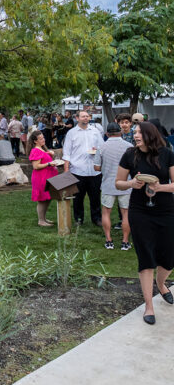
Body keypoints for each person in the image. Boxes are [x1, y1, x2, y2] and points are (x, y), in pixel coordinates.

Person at [115, 122, 174, 325]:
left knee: (168, 255)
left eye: (139, 132)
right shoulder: (129, 154)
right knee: (146, 255)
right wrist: (131, 183)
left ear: (150, 134)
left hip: (166, 211)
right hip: (140, 211)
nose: (135, 135)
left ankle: (161, 282)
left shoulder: (167, 154)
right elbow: (118, 182)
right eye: (135, 132)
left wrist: (160, 188)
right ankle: (149, 305)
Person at [93, 122, 133, 250]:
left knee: (106, 213)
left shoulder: (102, 147)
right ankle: (125, 241)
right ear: (120, 132)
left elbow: (97, 167)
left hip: (108, 184)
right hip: (126, 184)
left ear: (107, 134)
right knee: (126, 213)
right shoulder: (129, 146)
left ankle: (108, 240)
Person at [62, 110, 104, 226]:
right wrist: (66, 170)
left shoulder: (95, 131)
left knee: (95, 196)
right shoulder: (71, 133)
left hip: (94, 170)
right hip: (77, 170)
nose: (86, 118)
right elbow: (67, 152)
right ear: (77, 118)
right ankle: (78, 219)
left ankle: (97, 218)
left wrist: (97, 150)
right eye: (83, 116)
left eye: (87, 116)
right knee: (78, 197)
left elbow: (102, 148)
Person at [27, 130, 58, 226]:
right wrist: (49, 163)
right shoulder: (35, 150)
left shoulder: (42, 149)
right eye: (40, 139)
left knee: (47, 198)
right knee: (42, 199)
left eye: (43, 137)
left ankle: (44, 218)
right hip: (41, 178)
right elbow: (36, 166)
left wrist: (50, 155)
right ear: (35, 141)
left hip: (47, 177)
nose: (43, 140)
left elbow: (44, 161)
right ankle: (41, 220)